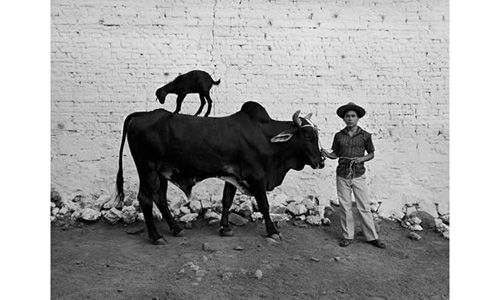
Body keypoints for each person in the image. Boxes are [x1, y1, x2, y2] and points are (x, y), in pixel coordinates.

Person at [321, 102, 386, 249]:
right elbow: (335, 154)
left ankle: (372, 237)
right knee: (345, 206)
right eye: (347, 116)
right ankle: (347, 236)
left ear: (357, 118)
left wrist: (362, 159)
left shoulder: (365, 136)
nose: (350, 118)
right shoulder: (338, 136)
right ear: (343, 119)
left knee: (364, 206)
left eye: (353, 116)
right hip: (342, 175)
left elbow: (371, 154)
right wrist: (327, 154)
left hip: (358, 174)